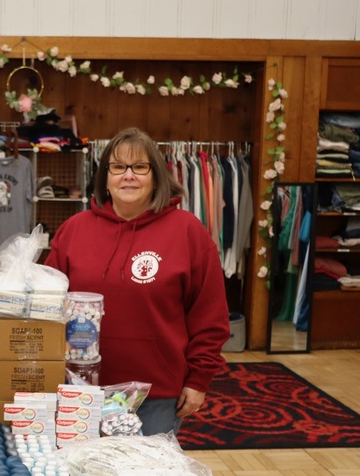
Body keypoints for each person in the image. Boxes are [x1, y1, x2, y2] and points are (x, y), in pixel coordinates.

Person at [45, 127, 229, 436]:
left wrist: (199, 380)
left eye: (139, 167)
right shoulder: (73, 230)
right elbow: (47, 308)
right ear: (105, 176)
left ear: (155, 175)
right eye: (118, 167)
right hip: (80, 389)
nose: (128, 176)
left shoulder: (188, 232)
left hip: (157, 394)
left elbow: (210, 316)